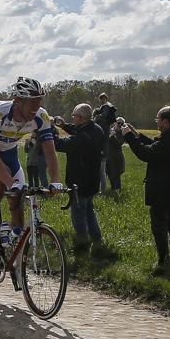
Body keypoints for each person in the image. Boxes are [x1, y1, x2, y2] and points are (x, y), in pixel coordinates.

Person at [0, 77, 64, 254]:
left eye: (39, 101)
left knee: (18, 204)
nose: (36, 106)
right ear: (18, 101)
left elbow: (50, 152)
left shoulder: (40, 116)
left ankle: (14, 259)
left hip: (10, 154)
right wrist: (9, 182)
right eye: (32, 102)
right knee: (3, 176)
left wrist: (55, 181)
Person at [121, 105, 170, 271]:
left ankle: (163, 260)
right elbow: (155, 147)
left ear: (165, 122)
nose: (156, 122)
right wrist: (137, 135)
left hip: (162, 189)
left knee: (159, 226)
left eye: (158, 119)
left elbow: (146, 154)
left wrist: (128, 137)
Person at [53, 103, 106, 248]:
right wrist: (64, 126)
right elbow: (78, 130)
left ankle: (82, 245)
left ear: (81, 117)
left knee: (78, 216)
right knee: (89, 212)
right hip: (92, 181)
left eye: (74, 115)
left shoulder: (84, 137)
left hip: (80, 183)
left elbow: (59, 144)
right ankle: (97, 240)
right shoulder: (96, 129)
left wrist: (49, 130)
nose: (72, 117)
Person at [92, 92, 117, 193]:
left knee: (101, 170)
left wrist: (95, 116)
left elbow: (102, 116)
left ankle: (101, 190)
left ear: (106, 99)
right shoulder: (105, 106)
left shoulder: (106, 107)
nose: (102, 100)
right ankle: (99, 189)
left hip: (102, 146)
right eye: (101, 98)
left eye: (103, 98)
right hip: (103, 142)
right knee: (100, 170)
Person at [105, 124, 125, 191]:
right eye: (117, 124)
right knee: (109, 173)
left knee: (115, 174)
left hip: (116, 157)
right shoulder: (112, 132)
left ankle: (117, 189)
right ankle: (113, 189)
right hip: (109, 156)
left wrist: (112, 136)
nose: (117, 125)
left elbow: (119, 143)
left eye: (120, 124)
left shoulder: (121, 134)